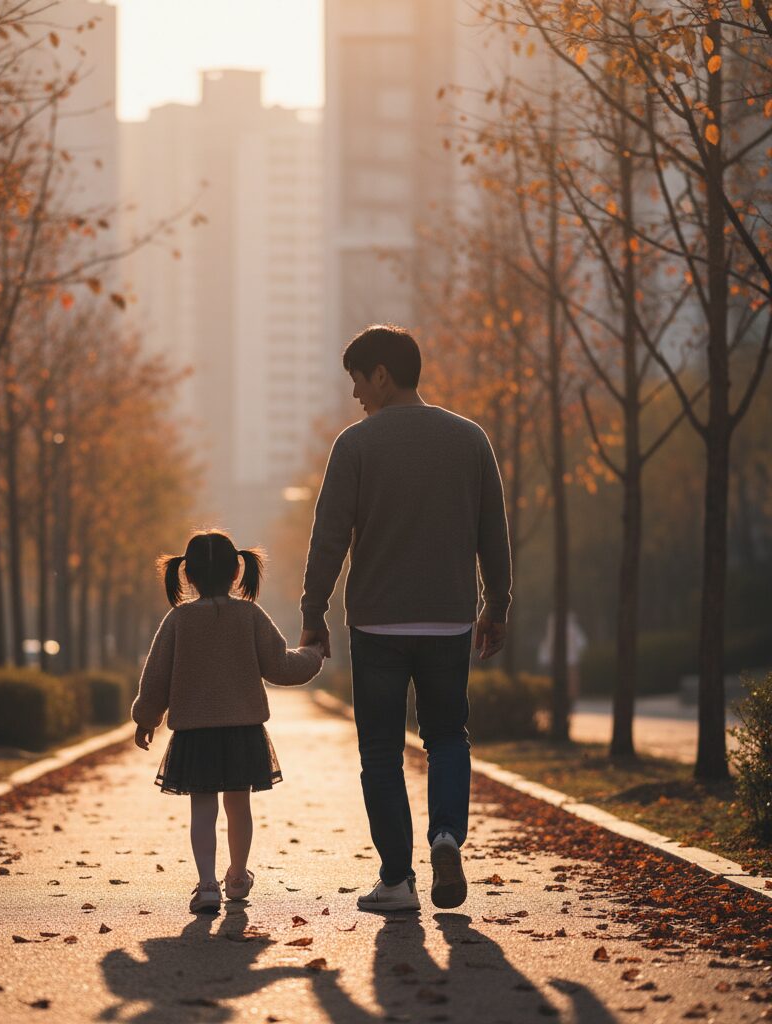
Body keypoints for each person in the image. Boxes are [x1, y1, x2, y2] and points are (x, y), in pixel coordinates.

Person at [299, 324, 511, 913]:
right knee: (447, 736)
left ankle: (397, 880)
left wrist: (313, 613)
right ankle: (446, 836)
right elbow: (493, 534)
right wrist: (497, 605)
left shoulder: (356, 445)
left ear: (382, 375)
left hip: (378, 626)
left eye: (358, 380)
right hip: (449, 620)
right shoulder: (470, 440)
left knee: (381, 753)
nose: (355, 394)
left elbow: (329, 539)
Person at [132, 530, 324, 914]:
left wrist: (146, 718)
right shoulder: (249, 615)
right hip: (243, 731)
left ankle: (206, 885)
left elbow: (156, 678)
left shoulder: (179, 620)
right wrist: (313, 654)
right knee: (239, 807)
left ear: (187, 576)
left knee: (202, 809)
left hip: (194, 734)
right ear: (237, 572)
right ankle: (237, 876)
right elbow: (281, 666)